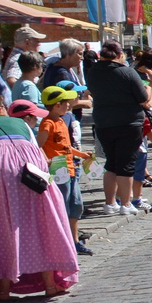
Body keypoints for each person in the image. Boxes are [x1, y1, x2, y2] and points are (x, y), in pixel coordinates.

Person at [0, 94, 77, 300]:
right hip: (31, 165)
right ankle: (50, 284)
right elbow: (36, 147)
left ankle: (3, 289)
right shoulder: (18, 122)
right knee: (40, 221)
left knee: (2, 224)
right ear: (0, 108)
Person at [85, 42, 149, 217]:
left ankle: (109, 203)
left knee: (111, 163)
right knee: (126, 164)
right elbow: (143, 98)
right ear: (120, 54)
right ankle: (126, 203)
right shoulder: (127, 72)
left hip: (104, 122)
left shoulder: (93, 72)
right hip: (128, 122)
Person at [38, 86, 94, 256]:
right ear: (56, 105)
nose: (69, 105)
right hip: (57, 170)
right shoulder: (47, 123)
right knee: (62, 206)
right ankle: (63, 242)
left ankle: (74, 240)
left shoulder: (62, 121)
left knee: (76, 205)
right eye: (66, 103)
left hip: (71, 168)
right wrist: (45, 159)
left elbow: (67, 146)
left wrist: (82, 155)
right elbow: (38, 145)